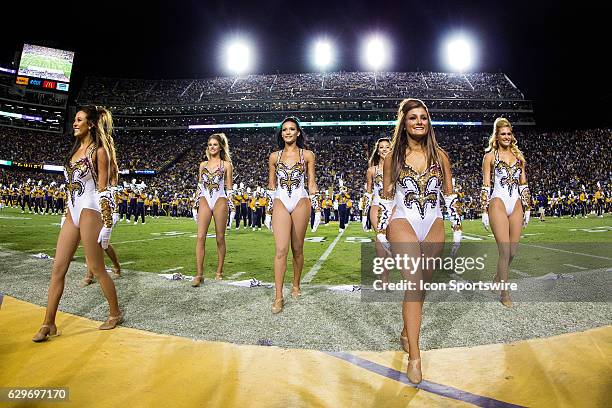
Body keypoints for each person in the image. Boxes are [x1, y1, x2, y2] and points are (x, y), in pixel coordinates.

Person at [377, 98, 461, 383]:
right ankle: (415, 355)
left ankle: (406, 330)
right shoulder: (393, 158)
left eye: (423, 117)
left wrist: (457, 226)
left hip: (434, 222)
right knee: (413, 283)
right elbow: (387, 195)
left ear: (429, 122)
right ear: (405, 122)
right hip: (403, 220)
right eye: (413, 118)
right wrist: (380, 231)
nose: (419, 122)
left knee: (422, 284)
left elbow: (448, 195)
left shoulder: (441, 157)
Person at [32, 105, 122, 342]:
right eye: (74, 119)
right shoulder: (73, 151)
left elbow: (103, 189)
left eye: (79, 119)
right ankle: (48, 322)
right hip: (73, 209)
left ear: (90, 124)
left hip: (91, 208)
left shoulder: (99, 151)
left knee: (97, 268)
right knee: (58, 268)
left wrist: (108, 223)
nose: (74, 123)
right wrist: (65, 212)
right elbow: (69, 188)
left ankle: (115, 313)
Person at [266, 117, 319, 313]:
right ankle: (278, 296)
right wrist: (268, 211)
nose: (288, 132)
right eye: (285, 130)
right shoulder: (274, 157)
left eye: (292, 129)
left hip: (301, 201)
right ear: (281, 133)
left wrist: (318, 208)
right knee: (281, 249)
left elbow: (311, 183)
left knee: (297, 248)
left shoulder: (307, 155)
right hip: (280, 200)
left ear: (298, 133)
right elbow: (272, 186)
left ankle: (296, 284)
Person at [481, 117, 531, 308]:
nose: (507, 137)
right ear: (496, 136)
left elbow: (523, 183)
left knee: (513, 251)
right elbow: (486, 184)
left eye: (509, 133)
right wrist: (484, 210)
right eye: (503, 134)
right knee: (504, 250)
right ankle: (505, 293)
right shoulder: (490, 156)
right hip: (498, 202)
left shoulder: (519, 157)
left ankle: (497, 277)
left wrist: (527, 207)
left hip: (516, 203)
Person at [191, 133, 233, 287]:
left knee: (220, 238)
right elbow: (200, 186)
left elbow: (229, 188)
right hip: (204, 199)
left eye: (215, 144)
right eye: (210, 145)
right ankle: (199, 274)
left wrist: (232, 208)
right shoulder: (203, 165)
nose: (212, 147)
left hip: (220, 199)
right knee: (200, 236)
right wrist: (194, 204)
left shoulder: (226, 165)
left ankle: (219, 271)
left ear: (221, 146)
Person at [365, 137, 391, 281]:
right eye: (381, 147)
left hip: (394, 206)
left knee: (393, 239)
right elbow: (368, 193)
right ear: (377, 150)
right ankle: (384, 277)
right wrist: (364, 214)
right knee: (380, 238)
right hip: (376, 205)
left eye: (387, 147)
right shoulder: (372, 170)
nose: (384, 149)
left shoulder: (399, 168)